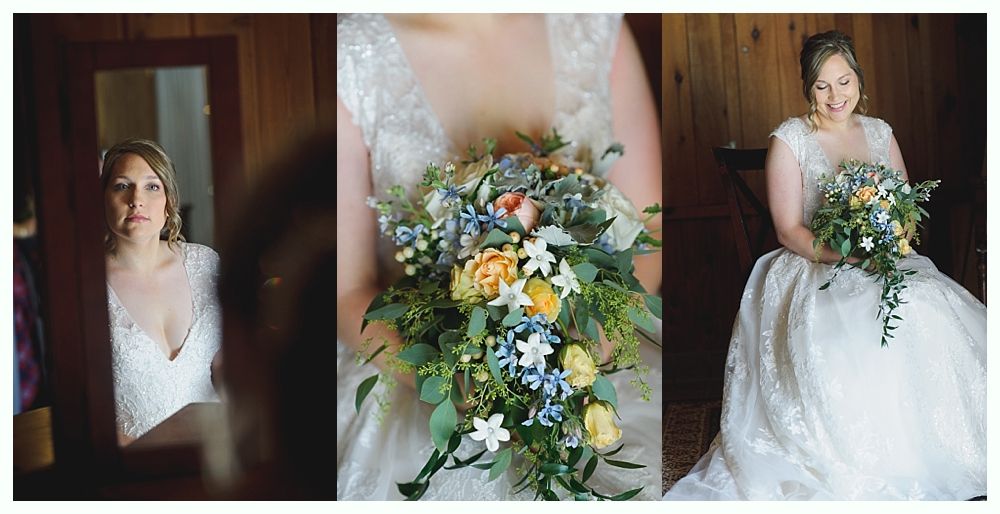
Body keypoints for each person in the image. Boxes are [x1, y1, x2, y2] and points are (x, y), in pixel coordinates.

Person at [337, 14, 662, 499]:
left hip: (593, 349)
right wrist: (462, 383)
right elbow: (346, 290)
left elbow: (650, 230)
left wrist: (589, 350)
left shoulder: (594, 21)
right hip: (423, 366)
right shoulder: (352, 51)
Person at [664, 30, 986, 500]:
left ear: (858, 79)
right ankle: (869, 455)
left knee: (925, 302)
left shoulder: (880, 133)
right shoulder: (790, 139)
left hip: (883, 257)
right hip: (814, 261)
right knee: (857, 313)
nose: (836, 95)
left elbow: (905, 210)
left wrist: (889, 241)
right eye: (822, 86)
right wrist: (850, 255)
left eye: (844, 81)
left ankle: (936, 445)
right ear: (808, 87)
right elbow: (788, 230)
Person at [101, 138, 222, 445]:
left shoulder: (206, 264)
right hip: (131, 460)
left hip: (214, 451)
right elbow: (74, 400)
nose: (136, 200)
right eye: (122, 186)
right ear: (103, 199)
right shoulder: (87, 284)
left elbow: (230, 363)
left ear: (169, 201)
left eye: (152, 186)